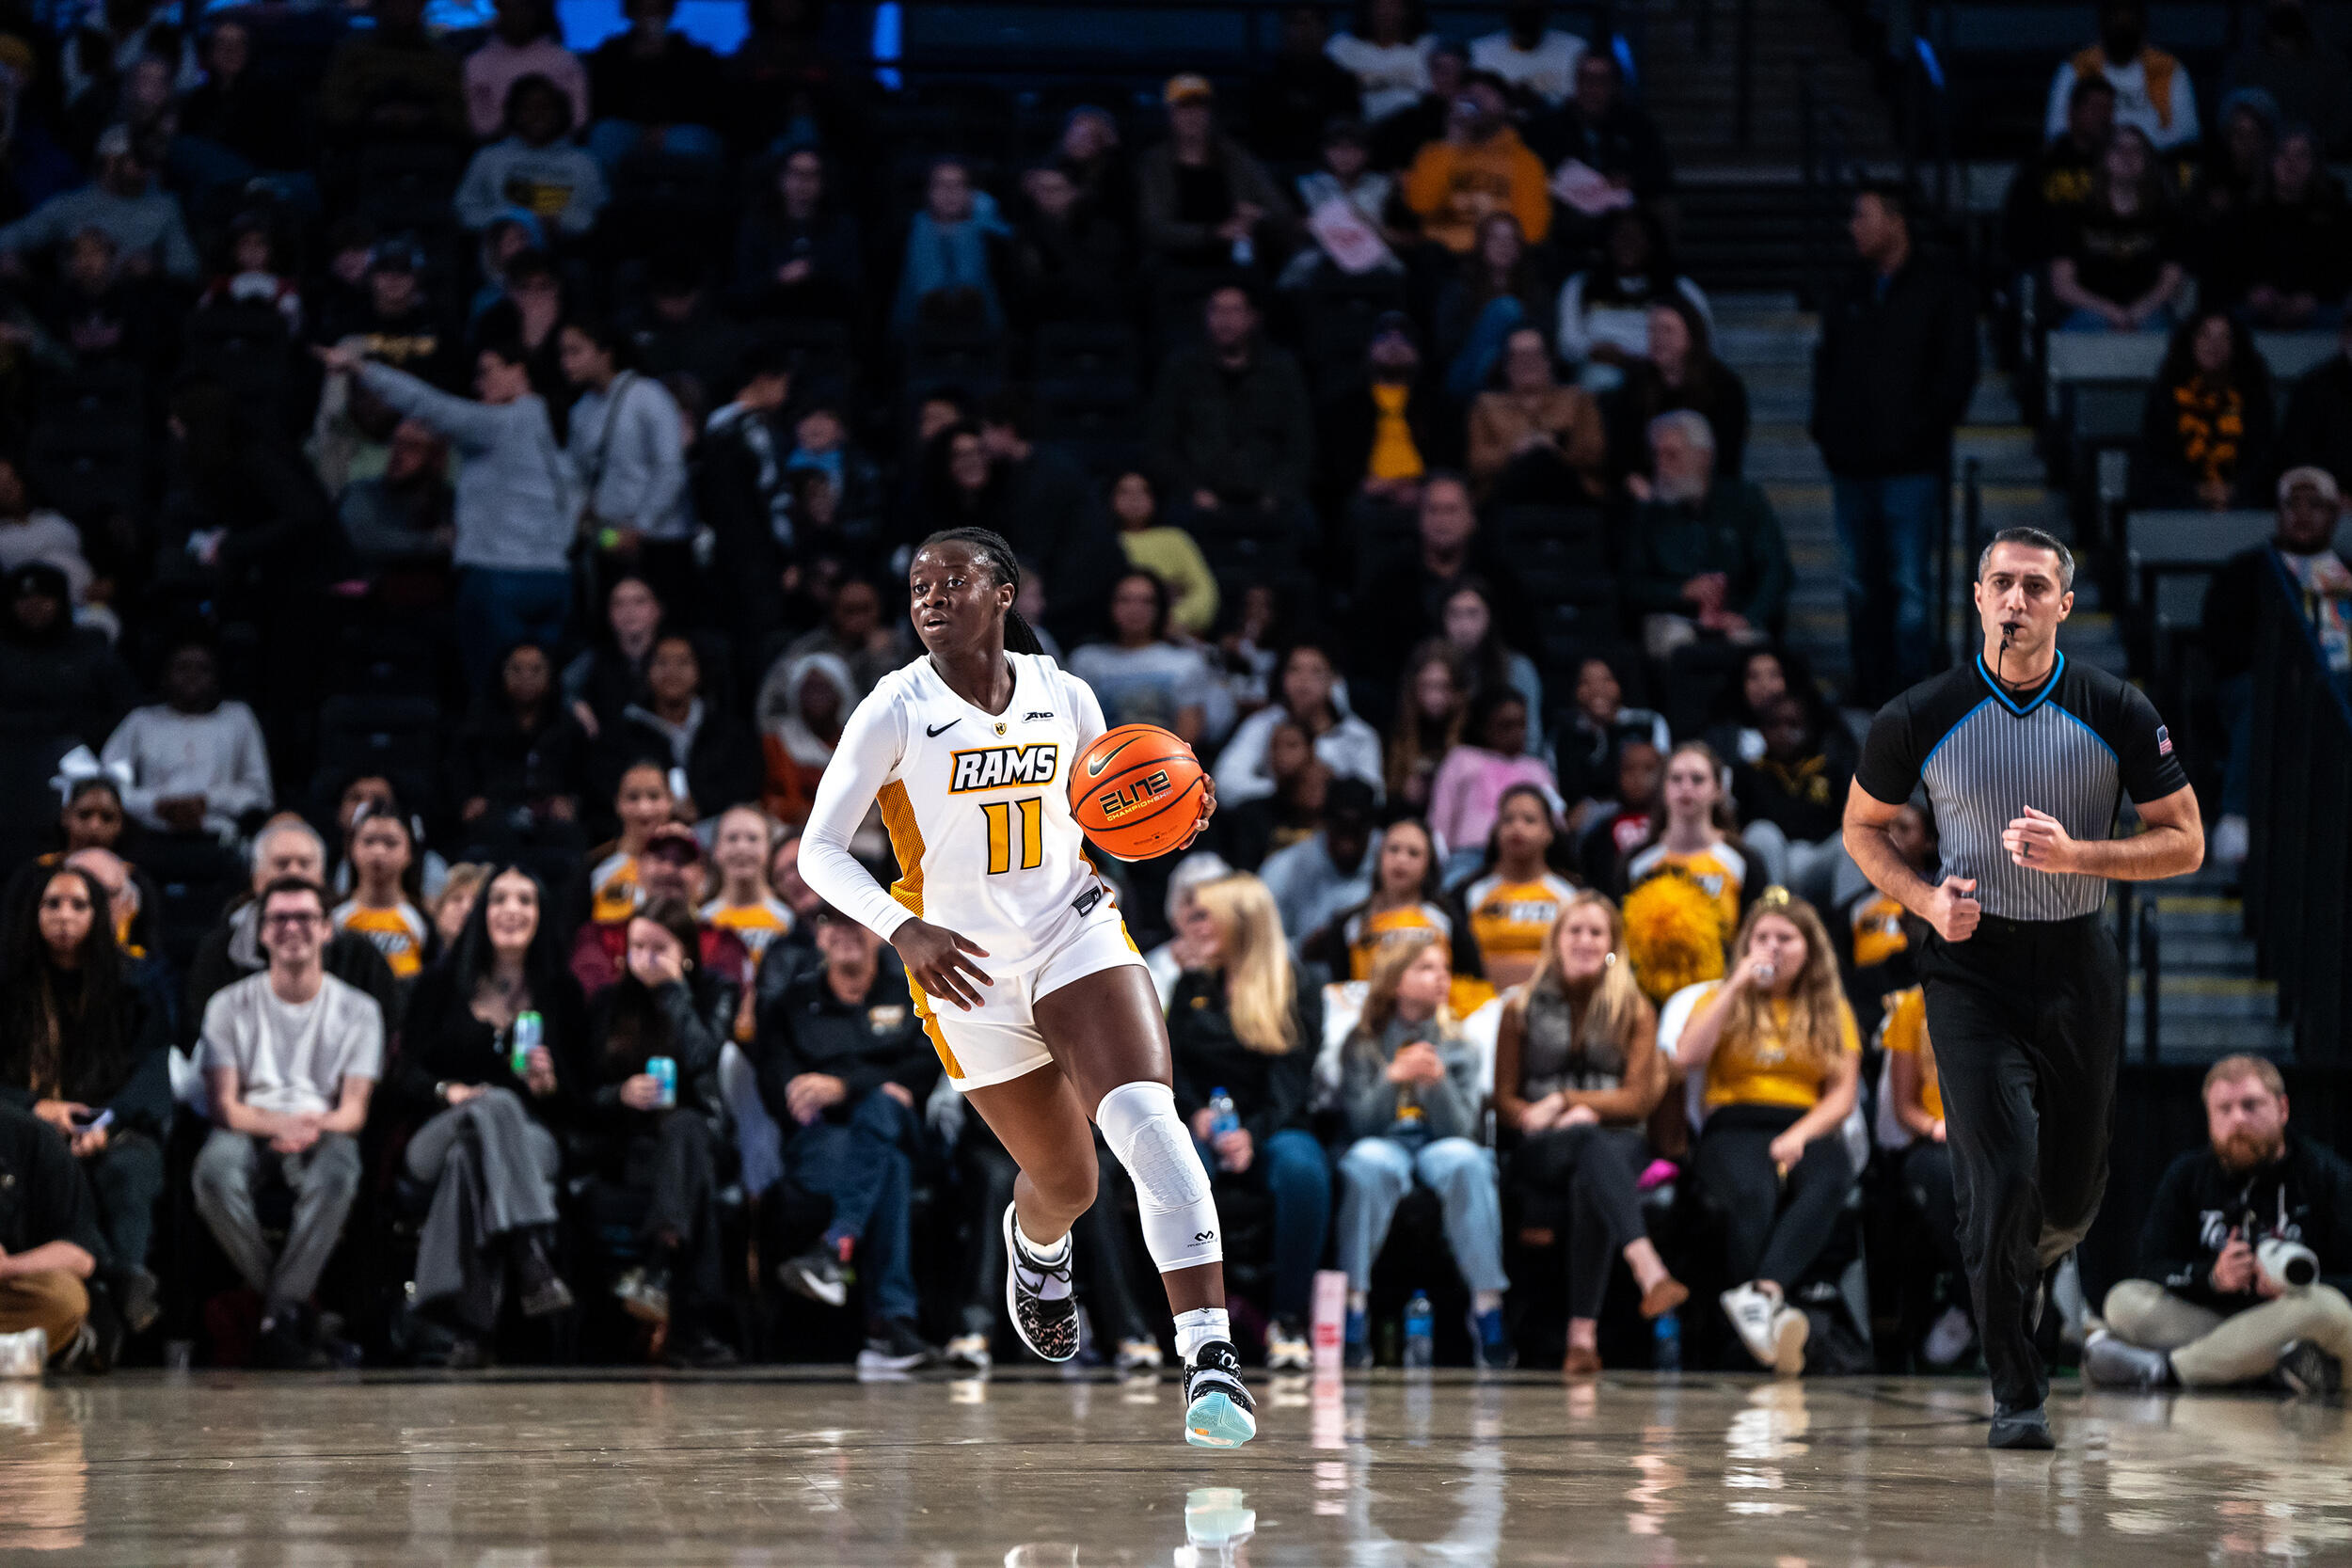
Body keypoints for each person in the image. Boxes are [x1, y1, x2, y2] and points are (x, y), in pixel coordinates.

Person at [794, 526, 1253, 1446]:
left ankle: (1210, 1358)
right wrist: (902, 926)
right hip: (961, 969)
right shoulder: (892, 707)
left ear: (1004, 593)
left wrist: (1176, 818)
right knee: (1067, 1181)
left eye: (952, 580)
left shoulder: (1063, 691)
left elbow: (1108, 817)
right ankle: (1037, 1246)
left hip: (1071, 931)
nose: (929, 596)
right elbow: (818, 850)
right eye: (918, 583)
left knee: (1146, 1123)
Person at [1844, 526, 2204, 1448]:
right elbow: (1861, 828)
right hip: (1967, 966)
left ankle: (2030, 1263)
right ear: (1975, 597)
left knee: (2069, 1198)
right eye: (1999, 582)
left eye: (2034, 586)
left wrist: (2078, 852)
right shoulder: (1917, 714)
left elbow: (2186, 840)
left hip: (2076, 958)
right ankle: (2017, 1387)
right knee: (1999, 1176)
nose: (2015, 599)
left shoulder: (2114, 706)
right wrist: (1926, 899)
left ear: (2062, 604)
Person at [193, 877, 381, 1369]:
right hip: (248, 1124)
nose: (292, 928)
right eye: (279, 918)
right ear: (261, 933)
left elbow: (354, 1112)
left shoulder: (361, 1010)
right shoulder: (227, 1005)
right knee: (213, 1173)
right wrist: (278, 1124)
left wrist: (308, 1127)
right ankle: (294, 1310)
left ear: (326, 930)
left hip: (323, 1126)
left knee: (339, 1172)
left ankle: (272, 1314)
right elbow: (225, 1107)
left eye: (304, 918)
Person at [393, 864, 580, 1355]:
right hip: (438, 1131)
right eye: (499, 899)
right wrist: (446, 1092)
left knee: (469, 1163)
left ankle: (453, 1321)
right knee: (488, 1109)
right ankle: (531, 1255)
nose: (512, 910)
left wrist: (552, 1084)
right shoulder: (437, 987)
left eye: (525, 899)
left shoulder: (563, 993)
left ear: (542, 914)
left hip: (530, 1139)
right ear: (482, 912)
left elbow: (584, 1101)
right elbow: (400, 1078)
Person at [1493, 891, 1682, 1373]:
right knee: (1586, 1144)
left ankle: (1581, 1341)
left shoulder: (1635, 1009)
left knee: (1591, 1170)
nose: (1584, 940)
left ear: (1612, 944)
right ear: (1555, 940)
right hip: (1542, 1146)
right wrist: (1545, 1113)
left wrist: (1572, 1102)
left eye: (1596, 932)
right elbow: (1505, 1097)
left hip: (1620, 1139)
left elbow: (1639, 1099)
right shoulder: (1520, 1007)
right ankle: (1647, 1267)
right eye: (1574, 930)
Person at [2085, 1055, 2352, 1395]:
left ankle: (2167, 1371)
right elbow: (2152, 1265)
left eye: (2251, 1105)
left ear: (2283, 1109)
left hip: (2293, 1319)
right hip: (2220, 1320)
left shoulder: (2327, 1175)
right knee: (2123, 1302)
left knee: (2328, 1310)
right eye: (2224, 1109)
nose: (2238, 1119)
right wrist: (2211, 1277)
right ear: (2209, 1118)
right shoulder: (2188, 1175)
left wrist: (2297, 1286)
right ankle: (2263, 1369)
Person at [1674, 894, 1861, 1375]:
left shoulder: (1831, 1009)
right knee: (1754, 1192)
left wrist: (1799, 1135)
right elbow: (1687, 1054)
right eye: (1762, 938)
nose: (1772, 948)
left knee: (1831, 1174)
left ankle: (1763, 1295)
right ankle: (1765, 1321)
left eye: (1785, 938)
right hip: (1732, 1124)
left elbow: (1841, 1096)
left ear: (1809, 949)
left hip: (1804, 1121)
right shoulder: (1717, 996)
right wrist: (1735, 983)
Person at [323, 340, 576, 692]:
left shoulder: (498, 424)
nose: (478, 384)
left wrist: (361, 369)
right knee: (545, 698)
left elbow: (428, 406)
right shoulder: (563, 432)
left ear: (518, 372)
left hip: (498, 579)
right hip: (556, 582)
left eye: (486, 372)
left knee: (496, 698)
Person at [1812, 183, 1979, 702]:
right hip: (1852, 463)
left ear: (1895, 220)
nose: (1852, 228)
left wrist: (1918, 433)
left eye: (1863, 217)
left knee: (1909, 585)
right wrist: (1827, 431)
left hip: (1911, 464)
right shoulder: (1850, 290)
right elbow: (1826, 364)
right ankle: (1868, 683)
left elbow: (1956, 375)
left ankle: (1910, 690)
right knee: (1861, 584)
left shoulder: (1940, 288)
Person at [758, 903, 942, 1372]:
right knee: (888, 1164)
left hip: (905, 1133)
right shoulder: (791, 1005)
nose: (843, 932)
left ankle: (833, 1247)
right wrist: (874, 1082)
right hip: (823, 1144)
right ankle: (890, 1325)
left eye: (854, 921)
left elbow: (926, 1066)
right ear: (818, 937)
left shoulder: (912, 991)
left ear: (879, 932)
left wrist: (842, 1087)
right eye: (830, 923)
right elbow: (782, 1090)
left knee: (882, 1113)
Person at [0, 863, 170, 1343]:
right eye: (52, 904)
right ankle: (110, 1287)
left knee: (130, 1168)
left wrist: (103, 1124)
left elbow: (153, 1075)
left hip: (112, 1127)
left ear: (100, 915)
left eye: (79, 905)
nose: (64, 916)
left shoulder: (134, 986)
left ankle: (122, 1284)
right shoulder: (10, 985)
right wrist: (37, 1109)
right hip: (22, 1132)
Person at [1166, 873, 1328, 1370]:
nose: (1193, 926)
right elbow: (1175, 1063)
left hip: (1274, 1122)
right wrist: (1194, 1111)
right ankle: (1191, 1325)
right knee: (1178, 1172)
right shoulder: (1193, 981)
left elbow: (1291, 1079)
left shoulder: (1296, 984)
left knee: (1303, 1172)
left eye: (1203, 915)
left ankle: (1287, 1319)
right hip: (1202, 1124)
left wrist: (1251, 1134)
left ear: (1240, 920)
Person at [1333, 933, 1513, 1369]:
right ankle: (1354, 1307)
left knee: (1469, 1162)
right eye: (1426, 969)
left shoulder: (1461, 1045)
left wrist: (1437, 1085)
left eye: (1445, 969)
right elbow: (1358, 1126)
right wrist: (1392, 1078)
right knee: (1364, 1164)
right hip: (1385, 1141)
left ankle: (1487, 1307)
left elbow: (1464, 1131)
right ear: (1396, 982)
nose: (1441, 978)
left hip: (1440, 1143)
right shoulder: (1362, 1043)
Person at [575, 895, 735, 1367]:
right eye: (637, 946)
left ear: (684, 951)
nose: (644, 958)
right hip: (628, 1146)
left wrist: (673, 992)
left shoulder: (712, 993)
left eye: (657, 948)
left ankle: (659, 1273)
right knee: (692, 1181)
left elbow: (705, 1056)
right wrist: (620, 1094)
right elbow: (585, 1092)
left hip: (698, 1141)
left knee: (685, 1129)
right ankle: (686, 1319)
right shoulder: (608, 1002)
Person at [2200, 467, 2352, 870]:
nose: (2303, 514)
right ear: (2278, 512)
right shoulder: (2247, 572)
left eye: (2315, 504)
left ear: (2335, 514)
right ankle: (2237, 822)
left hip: (2342, 689)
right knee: (2259, 697)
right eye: (2293, 503)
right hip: (2264, 687)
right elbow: (2222, 644)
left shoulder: (2349, 573)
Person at [185, 817, 403, 1039]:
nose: (294, 873)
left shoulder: (360, 954)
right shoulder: (219, 951)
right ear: (257, 879)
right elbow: (205, 1035)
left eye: (304, 864)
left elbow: (384, 1033)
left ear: (321, 878)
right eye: (282, 864)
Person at [1624, 412, 1789, 660]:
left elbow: (1776, 570)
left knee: (1751, 648)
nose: (1661, 466)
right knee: (1677, 641)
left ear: (1703, 456)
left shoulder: (1744, 501)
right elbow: (1631, 585)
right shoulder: (1650, 513)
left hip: (1737, 612)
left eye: (1672, 455)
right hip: (1675, 616)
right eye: (1656, 455)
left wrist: (1749, 616)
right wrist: (1681, 591)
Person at [1146, 286, 1315, 521]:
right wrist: (1193, 490)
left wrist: (1277, 491)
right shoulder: (1181, 369)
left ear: (1253, 318)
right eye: (1217, 311)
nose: (1225, 320)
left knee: (1303, 522)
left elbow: (1299, 444)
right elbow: (1161, 443)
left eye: (1234, 311)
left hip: (1268, 492)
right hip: (1198, 492)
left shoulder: (1281, 371)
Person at [560, 318, 692, 609]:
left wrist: (643, 526)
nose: (566, 362)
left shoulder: (649, 396)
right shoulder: (580, 411)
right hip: (610, 539)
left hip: (659, 539)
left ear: (605, 354)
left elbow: (670, 468)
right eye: (563, 354)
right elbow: (575, 479)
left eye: (575, 351)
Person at [1880, 982, 1976, 1367]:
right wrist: (1937, 1126)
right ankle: (1979, 1306)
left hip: (1998, 1137)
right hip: (1937, 1138)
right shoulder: (1913, 1006)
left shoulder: (2014, 993)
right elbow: (1904, 1106)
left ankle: (1970, 1306)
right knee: (1947, 1179)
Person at [100, 635, 273, 842]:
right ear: (165, 675)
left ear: (217, 676)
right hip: (149, 834)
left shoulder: (238, 717)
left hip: (220, 835)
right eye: (182, 667)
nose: (192, 676)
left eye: (202, 669)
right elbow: (108, 785)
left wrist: (206, 802)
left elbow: (260, 793)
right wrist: (156, 804)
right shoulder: (141, 720)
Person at [1300, 815, 1485, 1001]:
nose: (1401, 859)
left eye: (1414, 853)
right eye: (1393, 849)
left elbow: (1475, 980)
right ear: (1379, 857)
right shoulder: (1347, 924)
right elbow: (1340, 990)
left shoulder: (1446, 918)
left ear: (1428, 864)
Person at [1136, 74, 1295, 274]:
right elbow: (1154, 227)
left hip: (1234, 260)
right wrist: (1213, 234)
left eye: (1200, 107)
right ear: (1170, 114)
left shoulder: (1236, 156)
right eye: (1184, 107)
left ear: (1210, 113)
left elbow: (1279, 210)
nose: (1193, 115)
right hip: (1173, 264)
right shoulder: (1153, 163)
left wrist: (1259, 216)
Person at [598, 633, 763, 823]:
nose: (672, 672)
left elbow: (745, 786)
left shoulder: (727, 731)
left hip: (716, 830)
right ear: (647, 670)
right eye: (662, 662)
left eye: (683, 662)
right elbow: (608, 788)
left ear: (699, 670)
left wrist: (701, 804)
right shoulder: (624, 732)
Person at [0, 124, 197, 280]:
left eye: (150, 161)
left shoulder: (164, 207)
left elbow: (187, 267)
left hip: (139, 306)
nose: (146, 170)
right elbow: (19, 234)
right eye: (138, 160)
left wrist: (156, 266)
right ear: (110, 161)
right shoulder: (72, 205)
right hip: (73, 308)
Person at [447, 641, 589, 842]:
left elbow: (582, 772)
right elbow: (460, 767)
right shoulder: (479, 722)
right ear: (502, 674)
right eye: (517, 669)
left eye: (535, 670)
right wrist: (468, 799)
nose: (526, 677)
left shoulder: (566, 724)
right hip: (495, 811)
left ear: (550, 676)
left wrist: (571, 801)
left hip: (550, 816)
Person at [2132, 310, 2274, 510]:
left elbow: (2263, 459)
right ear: (2190, 342)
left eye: (2224, 336)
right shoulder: (2165, 396)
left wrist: (2233, 490)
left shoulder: (2253, 396)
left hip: (2241, 499)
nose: (2213, 344)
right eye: (2205, 335)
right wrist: (2197, 491)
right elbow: (2153, 462)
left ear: (2236, 346)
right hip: (2178, 499)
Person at [1214, 641, 1384, 806]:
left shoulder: (1359, 736)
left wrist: (1327, 789)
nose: (1303, 680)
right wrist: (1286, 790)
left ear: (1334, 680)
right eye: (1294, 670)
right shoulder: (1263, 723)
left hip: (1332, 827)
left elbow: (1376, 797)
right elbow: (1225, 782)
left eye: (1315, 671)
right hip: (1273, 821)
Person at [1397, 71, 1551, 254]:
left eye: (1486, 94)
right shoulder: (1435, 152)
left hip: (1497, 260)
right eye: (1469, 94)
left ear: (1505, 107)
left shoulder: (1525, 160)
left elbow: (1534, 231)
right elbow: (1420, 206)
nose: (1477, 100)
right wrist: (1452, 146)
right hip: (1443, 256)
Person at [1555, 207, 1711, 386]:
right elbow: (1568, 344)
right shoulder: (1580, 285)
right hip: (1603, 372)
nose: (1628, 244)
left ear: (1652, 243)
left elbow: (1703, 338)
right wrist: (1593, 351)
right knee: (1601, 377)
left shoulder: (1681, 288)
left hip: (1665, 369)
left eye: (1637, 237)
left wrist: (1637, 359)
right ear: (1607, 241)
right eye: (1621, 236)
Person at [2050, 127, 2185, 332]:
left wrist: (2136, 313)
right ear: (2104, 158)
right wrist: (2111, 311)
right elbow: (2062, 285)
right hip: (2089, 312)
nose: (2127, 156)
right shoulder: (2075, 215)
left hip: (2149, 313)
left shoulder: (2166, 216)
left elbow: (2171, 281)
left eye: (2136, 150)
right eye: (2118, 148)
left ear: (2147, 161)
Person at [0, 1101, 103, 1370]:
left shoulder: (30, 1135)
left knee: (65, 1297)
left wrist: (7, 1267)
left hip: (9, 1291)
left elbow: (80, 1255)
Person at [1733, 695, 1859, 910]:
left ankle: (1846, 927)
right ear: (1762, 730)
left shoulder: (1830, 769)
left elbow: (1847, 818)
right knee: (1762, 832)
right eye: (1775, 725)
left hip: (1817, 860)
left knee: (1854, 841)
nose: (1784, 732)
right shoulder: (1747, 773)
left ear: (1809, 728)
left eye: (1793, 724)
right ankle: (1777, 914)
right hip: (1769, 859)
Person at [1069, 571, 1221, 748]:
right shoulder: (1086, 660)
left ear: (1161, 608)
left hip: (1167, 767)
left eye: (1146, 601)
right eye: (1125, 600)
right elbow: (1074, 729)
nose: (1135, 609)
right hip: (1097, 766)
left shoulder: (1186, 663)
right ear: (1109, 604)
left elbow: (1188, 736)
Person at [1467, 325, 1607, 504]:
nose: (1526, 364)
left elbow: (1594, 454)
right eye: (1519, 356)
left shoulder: (1578, 400)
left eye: (1533, 355)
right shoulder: (1486, 406)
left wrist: (1554, 450)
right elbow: (1477, 462)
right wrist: (1517, 450)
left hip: (1570, 494)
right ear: (1506, 364)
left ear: (1548, 360)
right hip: (1505, 495)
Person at [454, 74, 607, 239]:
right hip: (501, 250)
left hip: (569, 251)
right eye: (528, 108)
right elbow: (465, 211)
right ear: (514, 112)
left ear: (560, 112)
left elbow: (597, 215)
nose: (537, 115)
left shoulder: (584, 162)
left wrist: (559, 223)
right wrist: (512, 222)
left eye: (545, 107)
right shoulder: (488, 158)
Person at [1626, 741, 1748, 943]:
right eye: (1676, 779)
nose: (1686, 787)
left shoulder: (1743, 860)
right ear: (1663, 789)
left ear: (1718, 789)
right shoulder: (1636, 862)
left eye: (1697, 779)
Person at [1461, 784, 1581, 990]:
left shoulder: (1571, 894)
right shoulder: (1469, 893)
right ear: (1496, 830)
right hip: (1482, 1006)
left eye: (1529, 820)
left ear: (1549, 832)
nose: (1518, 827)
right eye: (1508, 820)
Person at [584, 0, 725, 168]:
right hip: (626, 127)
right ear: (630, 13)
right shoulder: (611, 54)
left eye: (657, 11)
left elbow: (705, 102)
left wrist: (666, 126)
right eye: (643, 10)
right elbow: (602, 102)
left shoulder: (693, 55)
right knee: (605, 135)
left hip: (678, 129)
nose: (650, 18)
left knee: (689, 141)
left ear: (670, 12)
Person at [1428, 690, 1557, 874]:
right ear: (1483, 726)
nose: (1516, 733)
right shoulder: (1462, 758)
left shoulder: (1537, 769)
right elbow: (1440, 819)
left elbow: (1555, 823)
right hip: (1469, 856)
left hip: (1527, 862)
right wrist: (1436, 864)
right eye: (1506, 725)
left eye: (1521, 725)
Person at [2044, 0, 2200, 152]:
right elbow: (2057, 131)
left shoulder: (2167, 68)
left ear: (2142, 27)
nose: (2122, 27)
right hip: (2091, 165)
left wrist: (2134, 155)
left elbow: (2187, 135)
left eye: (2129, 22)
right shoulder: (2077, 67)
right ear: (2102, 25)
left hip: (2156, 164)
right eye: (2116, 20)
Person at [1523, 51, 1672, 207]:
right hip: (1564, 210)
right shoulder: (1548, 125)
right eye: (1585, 79)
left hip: (1620, 210)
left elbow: (1659, 171)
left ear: (1615, 86)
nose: (1591, 89)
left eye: (1600, 81)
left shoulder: (1636, 124)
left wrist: (1630, 180)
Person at [2004, 74, 2118, 270]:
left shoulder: (2119, 164)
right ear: (2073, 111)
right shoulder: (2043, 164)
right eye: (2096, 108)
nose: (2104, 116)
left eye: (2108, 109)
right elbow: (2019, 227)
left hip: (2107, 265)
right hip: (2049, 267)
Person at [891, 156, 1010, 340]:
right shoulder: (901, 235)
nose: (949, 192)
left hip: (983, 341)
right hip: (915, 339)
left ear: (971, 192)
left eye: (958, 184)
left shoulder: (995, 239)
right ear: (927, 191)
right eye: (940, 184)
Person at [1247, 8, 1365, 166]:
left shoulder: (1342, 81)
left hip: (1329, 170)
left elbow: (1348, 132)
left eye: (1311, 24)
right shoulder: (1265, 80)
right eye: (1297, 24)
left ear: (1325, 31)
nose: (1304, 32)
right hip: (1274, 166)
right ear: (1285, 30)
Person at [1107, 471, 1219, 638]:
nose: (1134, 499)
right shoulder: (1102, 541)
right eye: (1124, 492)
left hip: (1174, 634)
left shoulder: (1175, 538)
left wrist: (1171, 619)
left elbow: (1205, 593)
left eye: (1142, 491)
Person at [1552, 654, 1670, 811]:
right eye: (1586, 682)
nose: (1597, 689)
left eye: (1606, 680)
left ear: (1620, 682)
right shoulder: (1563, 735)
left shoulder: (1648, 723)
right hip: (1584, 822)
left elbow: (1664, 776)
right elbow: (1556, 793)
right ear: (1575, 690)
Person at [329, 806, 431, 985]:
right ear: (352, 848)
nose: (378, 851)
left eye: (390, 843)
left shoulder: (422, 921)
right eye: (368, 841)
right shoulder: (335, 918)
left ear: (409, 853)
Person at [756, 651, 854, 828]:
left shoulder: (857, 742)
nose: (816, 696)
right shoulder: (777, 741)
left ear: (841, 693)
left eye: (824, 688)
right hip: (787, 828)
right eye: (809, 688)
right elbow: (773, 799)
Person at [465, 0, 587, 140]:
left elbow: (578, 119)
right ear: (498, 10)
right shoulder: (477, 62)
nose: (517, 15)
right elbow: (480, 125)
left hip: (560, 149)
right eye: (510, 8)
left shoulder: (565, 59)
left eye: (523, 7)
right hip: (500, 150)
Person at [583, 760, 678, 928]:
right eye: (633, 797)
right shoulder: (594, 865)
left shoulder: (692, 865)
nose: (644, 808)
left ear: (670, 800)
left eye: (654, 796)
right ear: (617, 803)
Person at [1385, 643, 1469, 812]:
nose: (1435, 697)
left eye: (1443, 687)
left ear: (1457, 690)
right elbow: (1385, 798)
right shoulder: (1397, 734)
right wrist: (1403, 794)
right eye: (1428, 686)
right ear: (1414, 688)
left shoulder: (1471, 733)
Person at [1327, 0, 1436, 126]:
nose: (1386, 11)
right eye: (1379, 4)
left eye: (1393, 4)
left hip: (1413, 127)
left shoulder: (1428, 45)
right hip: (1354, 129)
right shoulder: (1341, 46)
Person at [2275, 318, 2352, 492]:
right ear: (2345, 337)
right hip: (2328, 500)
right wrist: (2332, 496)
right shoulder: (2314, 387)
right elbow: (2297, 456)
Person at [1470, 1, 1586, 106]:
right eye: (1521, 12)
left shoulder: (1575, 51)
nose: (1527, 19)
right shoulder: (1479, 52)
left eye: (1532, 12)